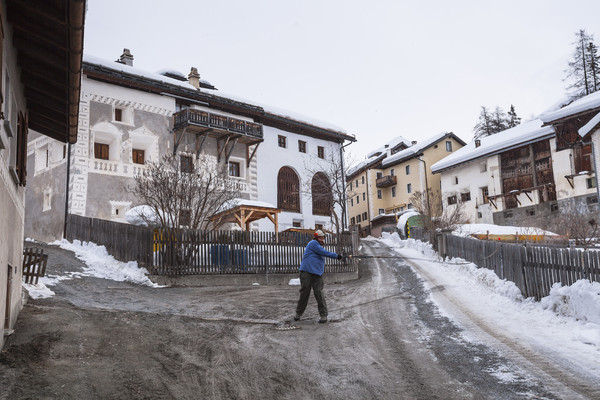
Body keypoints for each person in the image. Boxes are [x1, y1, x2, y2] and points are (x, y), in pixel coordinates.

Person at [294, 229, 343, 323]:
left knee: (319, 293)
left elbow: (322, 254)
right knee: (304, 293)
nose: (322, 240)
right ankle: (298, 313)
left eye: (323, 238)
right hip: (306, 272)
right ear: (316, 238)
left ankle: (323, 315)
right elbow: (324, 253)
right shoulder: (313, 243)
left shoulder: (319, 246)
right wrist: (336, 256)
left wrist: (337, 256)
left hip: (317, 273)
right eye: (320, 238)